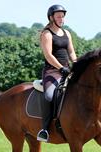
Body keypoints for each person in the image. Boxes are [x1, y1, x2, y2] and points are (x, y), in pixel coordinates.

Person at [37, 4, 77, 142]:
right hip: (52, 72)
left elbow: (71, 51)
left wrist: (76, 64)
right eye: (58, 16)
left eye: (63, 16)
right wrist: (61, 68)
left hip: (67, 70)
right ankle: (45, 129)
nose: (61, 19)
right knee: (49, 95)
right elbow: (48, 55)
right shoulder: (47, 34)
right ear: (51, 17)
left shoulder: (67, 33)